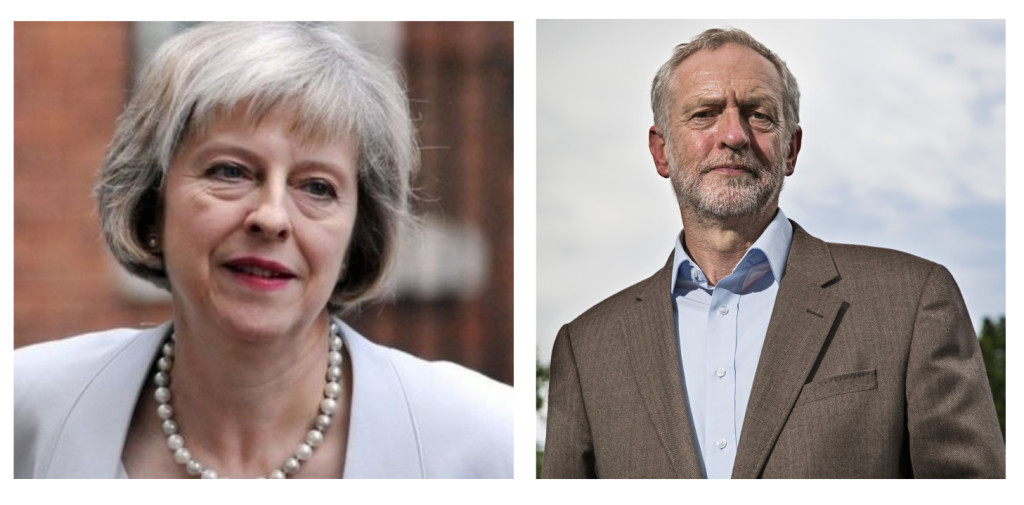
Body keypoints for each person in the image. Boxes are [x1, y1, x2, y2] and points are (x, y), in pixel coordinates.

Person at [14, 22, 512, 479]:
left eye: (317, 187)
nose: (272, 217)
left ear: (359, 231)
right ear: (152, 199)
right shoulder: (24, 409)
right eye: (230, 171)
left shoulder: (488, 442)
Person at [541, 27, 1004, 479]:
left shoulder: (911, 302)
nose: (734, 135)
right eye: (704, 114)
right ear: (661, 152)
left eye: (758, 114)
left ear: (791, 149)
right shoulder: (587, 350)